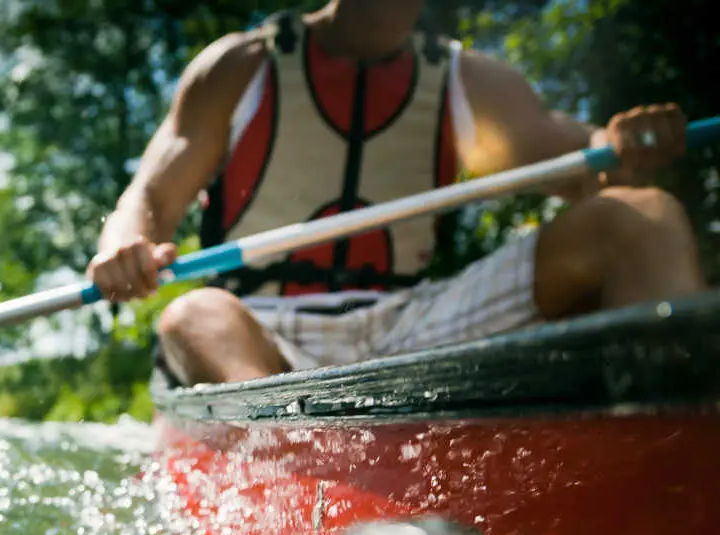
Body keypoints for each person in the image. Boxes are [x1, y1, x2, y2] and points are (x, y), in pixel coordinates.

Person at [87, 0, 704, 387]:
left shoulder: (469, 79)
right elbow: (151, 199)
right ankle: (291, 479)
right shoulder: (239, 68)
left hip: (415, 323)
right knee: (192, 314)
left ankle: (679, 444)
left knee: (640, 216)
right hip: (262, 328)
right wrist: (124, 244)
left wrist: (622, 147)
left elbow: (585, 165)